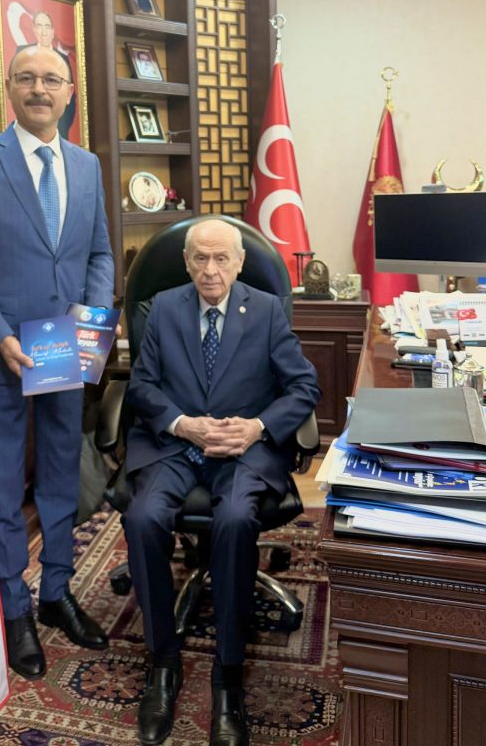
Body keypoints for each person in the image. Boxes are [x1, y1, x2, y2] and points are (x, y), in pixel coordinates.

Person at [0, 46, 115, 681]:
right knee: (2, 484)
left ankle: (56, 592)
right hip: (2, 354)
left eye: (51, 79)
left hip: (65, 342)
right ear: (9, 87)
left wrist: (93, 320)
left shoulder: (87, 165)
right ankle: (13, 607)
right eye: (27, 78)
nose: (40, 89)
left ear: (69, 92)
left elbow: (98, 253)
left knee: (62, 472)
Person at [123, 218, 320, 746]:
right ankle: (163, 662)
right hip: (176, 445)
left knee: (234, 518)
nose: (210, 270)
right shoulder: (163, 309)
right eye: (200, 259)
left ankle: (228, 677)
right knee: (142, 517)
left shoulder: (267, 310)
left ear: (239, 263)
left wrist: (258, 427)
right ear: (187, 262)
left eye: (221, 259)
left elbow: (304, 386)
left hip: (242, 449)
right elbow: (141, 386)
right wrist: (181, 423)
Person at [26, 11, 76, 140]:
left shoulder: (63, 59)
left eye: (47, 26)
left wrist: (62, 128)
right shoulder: (23, 53)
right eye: (39, 26)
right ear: (34, 30)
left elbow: (70, 103)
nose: (44, 32)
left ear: (53, 31)